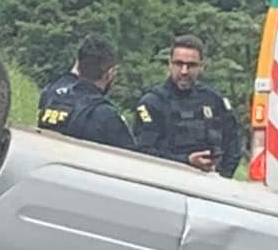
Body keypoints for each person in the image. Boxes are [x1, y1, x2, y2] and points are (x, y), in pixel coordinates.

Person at [132, 35, 241, 177]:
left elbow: (233, 145)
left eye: (191, 65)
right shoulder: (152, 103)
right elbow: (143, 152)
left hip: (212, 184)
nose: (184, 71)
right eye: (179, 64)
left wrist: (222, 176)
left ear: (202, 66)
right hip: (167, 182)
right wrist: (186, 161)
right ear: (169, 64)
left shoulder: (214, 100)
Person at [37, 35, 134, 150]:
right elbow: (131, 160)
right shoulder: (106, 116)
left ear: (77, 67)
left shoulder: (52, 98)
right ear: (109, 74)